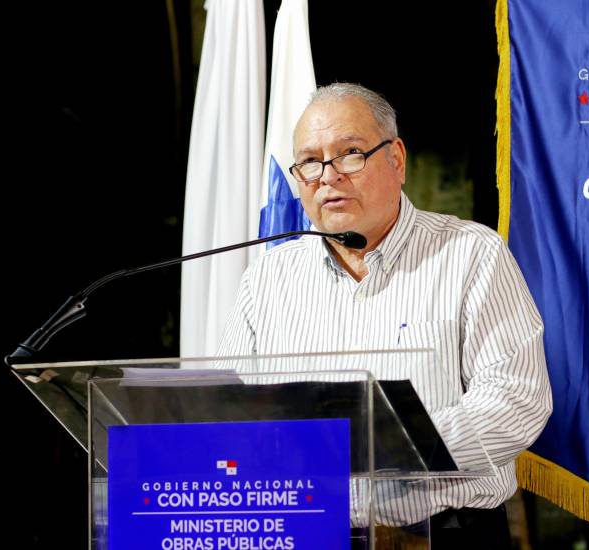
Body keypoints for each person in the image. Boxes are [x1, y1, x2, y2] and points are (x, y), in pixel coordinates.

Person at [218, 83, 552, 547]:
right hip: (302, 532)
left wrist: (391, 446)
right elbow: (227, 413)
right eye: (310, 162)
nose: (328, 176)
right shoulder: (267, 278)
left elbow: (516, 401)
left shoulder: (471, 254)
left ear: (396, 158)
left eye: (350, 153)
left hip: (442, 534)